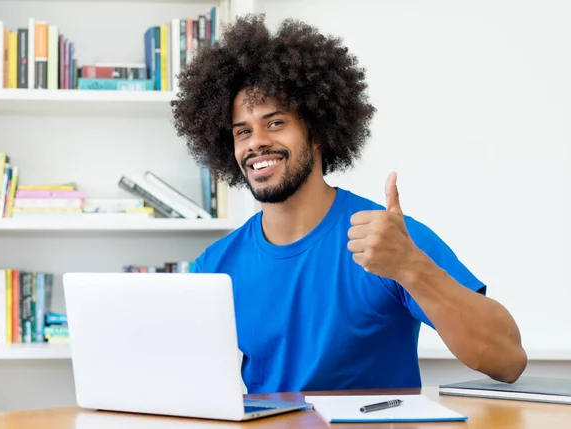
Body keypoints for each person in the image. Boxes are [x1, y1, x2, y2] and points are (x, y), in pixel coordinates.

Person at [171, 14, 527, 394]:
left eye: (275, 123)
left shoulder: (388, 239)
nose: (255, 142)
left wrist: (411, 267)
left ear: (318, 132)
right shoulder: (215, 266)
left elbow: (507, 361)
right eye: (243, 131)